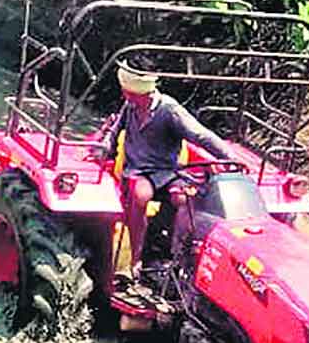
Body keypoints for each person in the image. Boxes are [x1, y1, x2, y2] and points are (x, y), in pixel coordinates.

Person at [98, 60, 236, 285]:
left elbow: (200, 135)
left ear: (140, 92)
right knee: (140, 195)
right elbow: (114, 132)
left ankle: (175, 258)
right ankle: (135, 259)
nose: (125, 96)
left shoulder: (169, 110)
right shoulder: (129, 107)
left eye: (129, 93)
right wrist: (103, 148)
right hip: (137, 170)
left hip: (167, 171)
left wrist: (228, 155)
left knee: (184, 198)